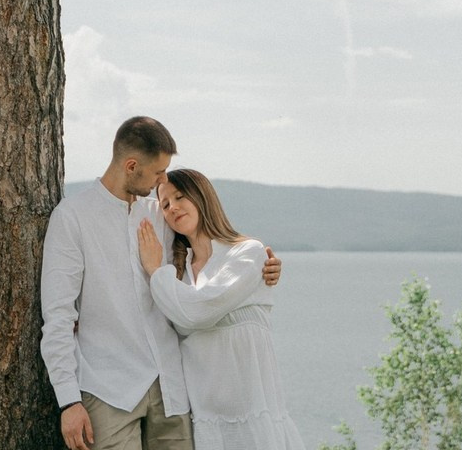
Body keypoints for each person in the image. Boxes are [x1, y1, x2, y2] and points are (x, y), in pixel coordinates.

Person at [40, 116, 281, 450]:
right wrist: (68, 400)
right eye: (158, 172)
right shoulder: (72, 217)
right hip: (108, 389)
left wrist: (265, 267)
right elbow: (58, 316)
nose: (163, 180)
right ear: (131, 166)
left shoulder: (163, 214)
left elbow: (210, 256)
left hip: (171, 388)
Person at [136, 169, 305, 450]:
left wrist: (155, 271)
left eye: (180, 196)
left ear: (202, 197)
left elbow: (199, 312)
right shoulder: (178, 273)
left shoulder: (248, 252)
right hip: (205, 418)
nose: (172, 207)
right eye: (164, 204)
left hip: (251, 411)